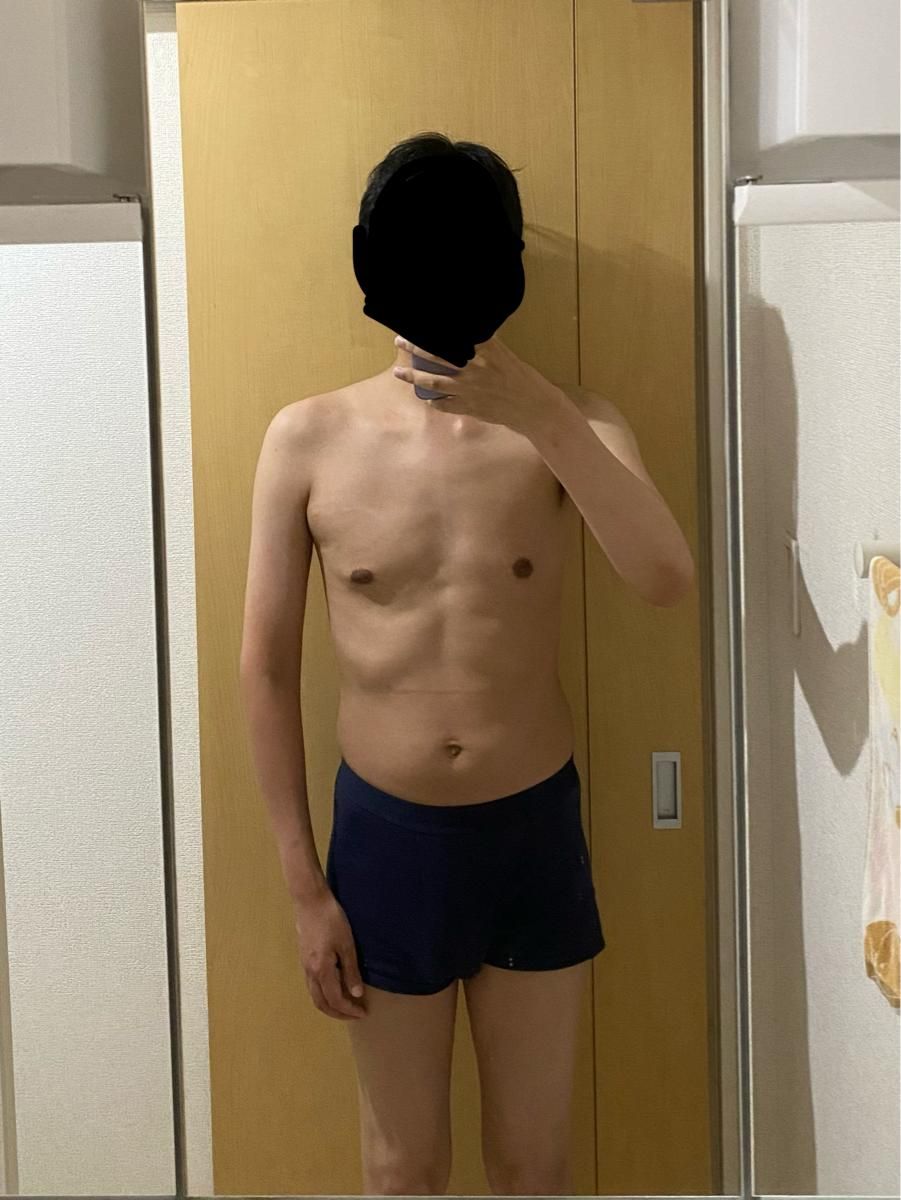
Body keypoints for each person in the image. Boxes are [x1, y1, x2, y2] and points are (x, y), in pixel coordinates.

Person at [239, 133, 694, 1197]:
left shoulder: (577, 422)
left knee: (531, 1167)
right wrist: (304, 888)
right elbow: (264, 670)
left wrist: (540, 415)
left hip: (529, 826)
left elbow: (664, 576)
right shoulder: (306, 438)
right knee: (403, 1170)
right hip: (384, 837)